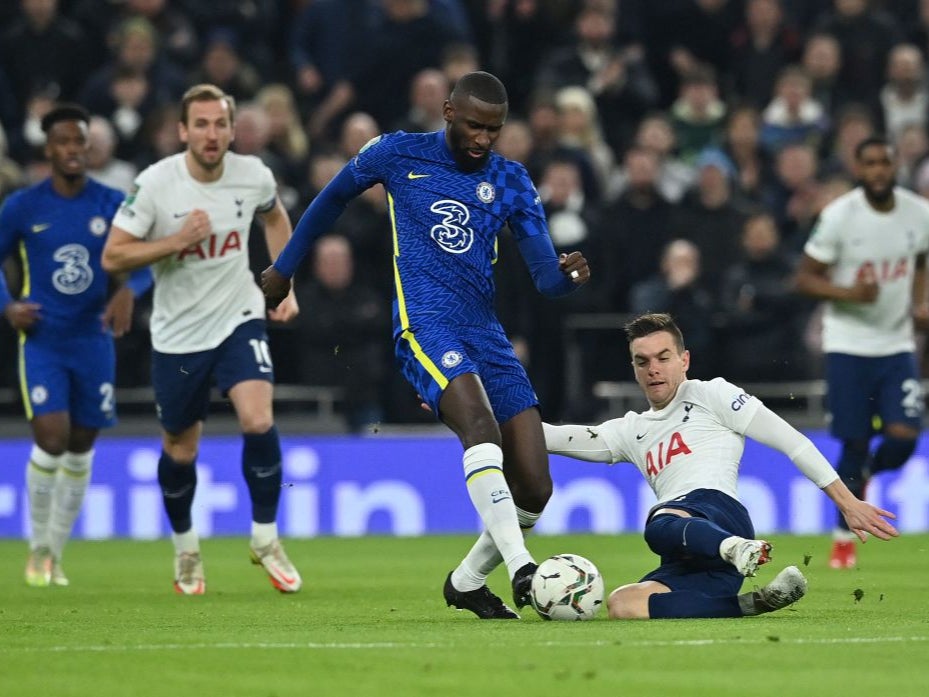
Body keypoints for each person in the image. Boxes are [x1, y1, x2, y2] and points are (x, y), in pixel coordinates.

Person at [262, 71, 590, 618]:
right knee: (480, 430)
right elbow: (331, 198)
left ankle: (465, 582)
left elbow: (545, 279)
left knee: (534, 485)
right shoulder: (395, 153)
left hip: (485, 332)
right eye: (475, 126)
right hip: (424, 325)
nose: (484, 139)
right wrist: (285, 267)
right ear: (447, 111)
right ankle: (522, 568)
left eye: (495, 129)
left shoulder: (511, 180)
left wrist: (569, 276)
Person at [543, 312, 899, 620]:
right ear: (634, 369)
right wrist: (496, 426)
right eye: (642, 361)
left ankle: (735, 548)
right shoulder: (630, 430)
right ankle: (747, 603)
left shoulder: (712, 395)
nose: (653, 369)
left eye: (663, 357)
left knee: (658, 522)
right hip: (686, 552)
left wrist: (846, 501)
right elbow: (557, 438)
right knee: (623, 604)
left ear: (684, 360)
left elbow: (792, 441)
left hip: (718, 514)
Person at [101, 84, 302, 595]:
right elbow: (113, 257)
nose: (212, 134)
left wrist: (285, 283)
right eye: (202, 124)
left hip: (239, 317)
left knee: (258, 418)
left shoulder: (253, 175)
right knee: (180, 449)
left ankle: (264, 537)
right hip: (177, 336)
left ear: (233, 130)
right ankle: (186, 549)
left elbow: (276, 217)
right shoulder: (154, 185)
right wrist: (174, 242)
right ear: (183, 131)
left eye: (220, 124)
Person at [0, 103, 151, 587]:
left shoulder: (111, 203)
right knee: (50, 438)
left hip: (94, 339)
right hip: (43, 338)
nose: (72, 150)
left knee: (82, 445)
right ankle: (37, 548)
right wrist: (8, 305)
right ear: (48, 148)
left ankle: (55, 555)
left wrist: (131, 289)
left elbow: (149, 260)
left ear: (89, 147)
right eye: (63, 141)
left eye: (79, 141)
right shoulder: (23, 205)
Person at [794, 135, 929, 569]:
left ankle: (866, 476)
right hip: (848, 345)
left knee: (905, 435)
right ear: (859, 168)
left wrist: (920, 302)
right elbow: (805, 278)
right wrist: (848, 292)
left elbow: (923, 259)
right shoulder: (838, 217)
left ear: (894, 167)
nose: (877, 171)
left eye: (884, 163)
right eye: (869, 163)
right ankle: (843, 539)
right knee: (854, 442)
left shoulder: (918, 213)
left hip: (895, 343)